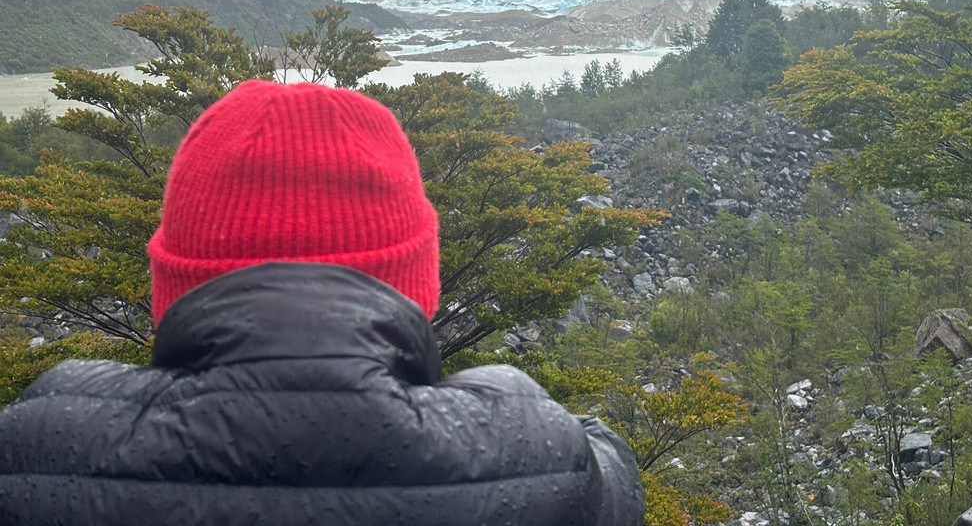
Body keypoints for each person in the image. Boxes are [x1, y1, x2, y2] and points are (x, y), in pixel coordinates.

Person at [0, 80, 645, 525]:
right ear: (419, 290)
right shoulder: (535, 453)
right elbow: (610, 467)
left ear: (169, 293)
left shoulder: (40, 445)